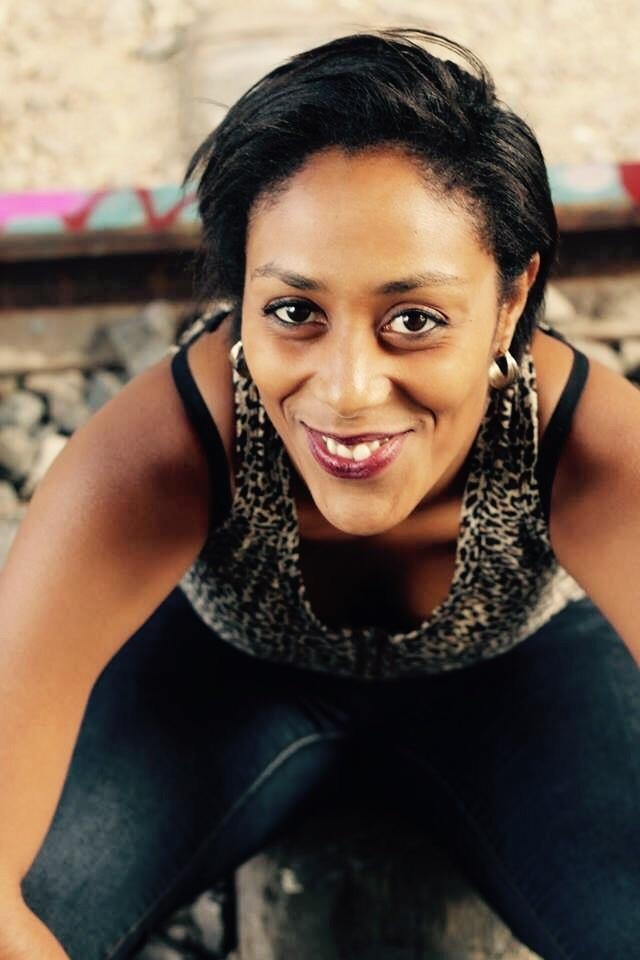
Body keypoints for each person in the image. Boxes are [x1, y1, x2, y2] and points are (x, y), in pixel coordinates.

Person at [1, 27, 638, 960]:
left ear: (510, 300)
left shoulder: (591, 446)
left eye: (413, 319)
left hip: (517, 689)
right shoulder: (156, 455)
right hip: (216, 690)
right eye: (295, 312)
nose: (346, 390)